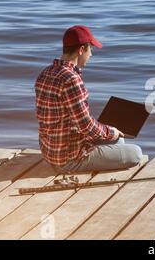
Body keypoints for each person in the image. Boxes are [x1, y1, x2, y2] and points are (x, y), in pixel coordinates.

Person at [34, 25, 143, 173]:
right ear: (81, 50)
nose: (91, 54)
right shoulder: (72, 79)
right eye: (90, 49)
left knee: (119, 141)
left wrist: (111, 133)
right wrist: (112, 131)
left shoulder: (46, 72)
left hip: (50, 150)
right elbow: (86, 126)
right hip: (68, 159)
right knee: (136, 153)